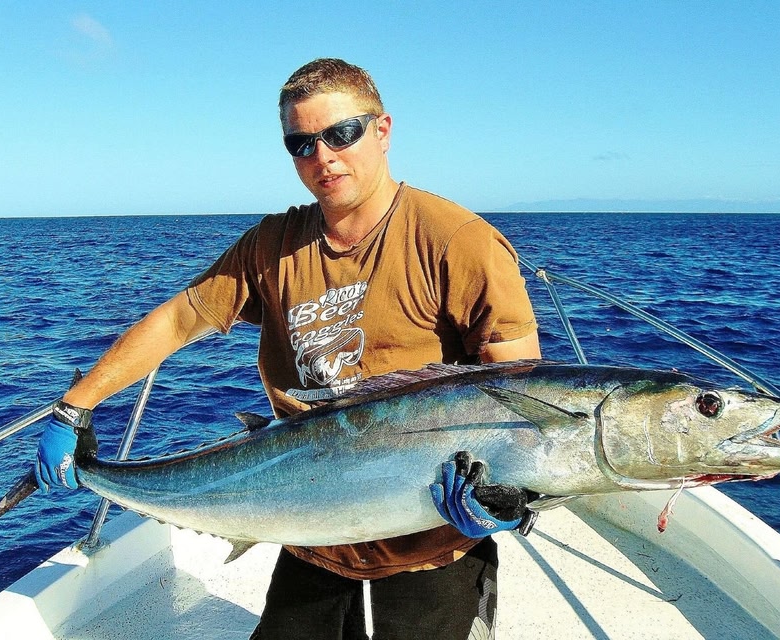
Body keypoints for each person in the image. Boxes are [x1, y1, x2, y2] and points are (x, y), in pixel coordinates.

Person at [34, 58, 541, 639]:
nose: (322, 156)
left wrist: (507, 494)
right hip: (310, 524)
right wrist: (75, 406)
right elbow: (179, 319)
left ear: (382, 130)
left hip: (434, 538)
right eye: (301, 143)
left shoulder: (457, 241)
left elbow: (525, 401)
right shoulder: (271, 244)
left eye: (341, 133)